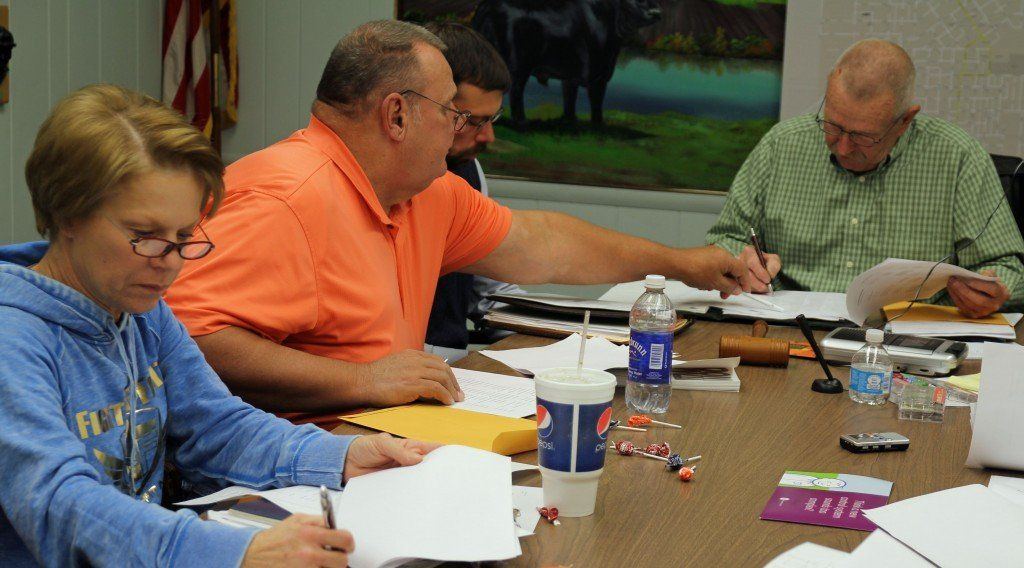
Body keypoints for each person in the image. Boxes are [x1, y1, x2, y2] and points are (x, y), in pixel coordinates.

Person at [164, 20, 751, 427]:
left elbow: (541, 246)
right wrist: (360, 381)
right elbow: (186, 341)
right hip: (294, 474)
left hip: (385, 440)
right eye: (452, 113)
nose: (459, 131)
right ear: (396, 114)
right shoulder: (286, 198)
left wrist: (680, 262)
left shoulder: (425, 192)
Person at [0, 84, 437, 567]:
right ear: (67, 214)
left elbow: (218, 426)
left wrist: (343, 456)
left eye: (184, 237)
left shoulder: (139, 310)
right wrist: (234, 553)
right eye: (145, 237)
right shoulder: (13, 341)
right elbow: (62, 505)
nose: (169, 263)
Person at [707, 39, 1024, 318]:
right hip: (791, 327)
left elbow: (1006, 264)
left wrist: (989, 290)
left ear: (904, 121)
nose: (842, 147)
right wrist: (742, 261)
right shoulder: (782, 145)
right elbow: (725, 239)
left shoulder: (958, 159)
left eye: (862, 137)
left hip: (906, 337)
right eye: (832, 125)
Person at [421, 22, 523, 360]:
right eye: (474, 121)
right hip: (396, 368)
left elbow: (484, 281)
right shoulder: (383, 181)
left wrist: (555, 332)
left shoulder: (470, 170)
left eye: (492, 119)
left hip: (454, 361)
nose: (488, 137)